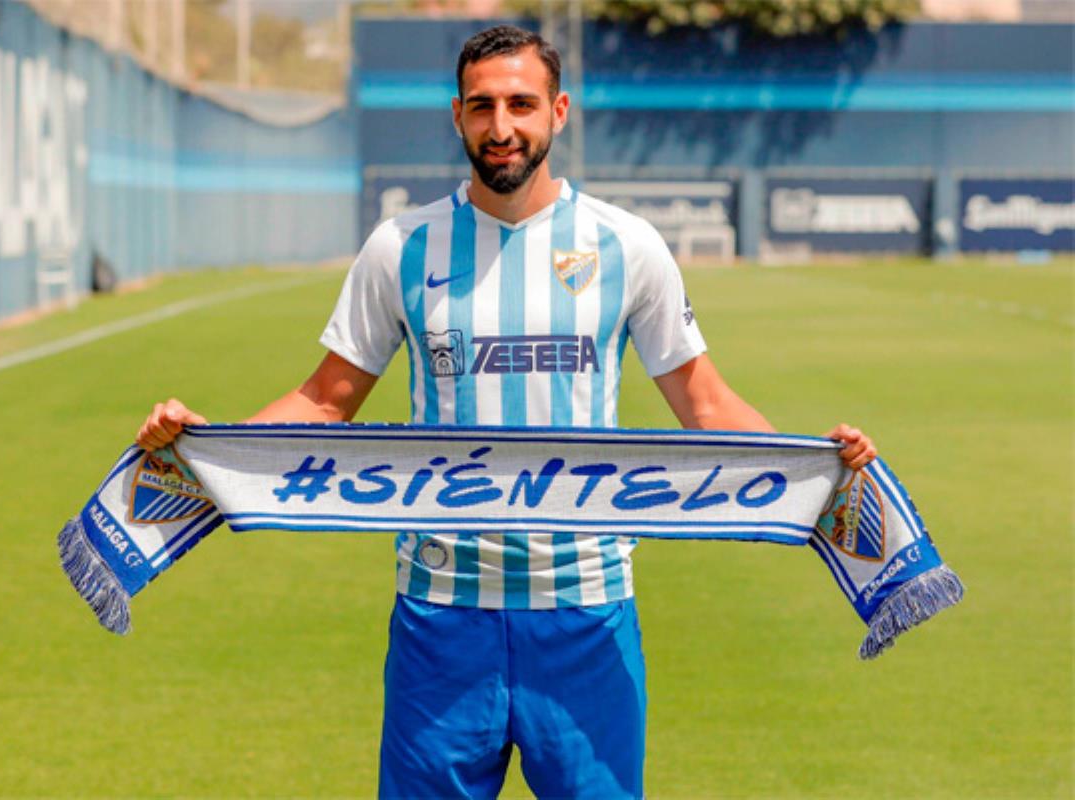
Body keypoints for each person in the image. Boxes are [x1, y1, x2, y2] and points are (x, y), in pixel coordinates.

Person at [136, 25, 876, 799]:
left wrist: (812, 470)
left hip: (586, 613)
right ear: (456, 114)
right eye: (483, 106)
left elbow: (705, 401)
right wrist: (204, 445)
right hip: (442, 617)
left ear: (558, 112)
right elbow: (325, 400)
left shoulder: (627, 246)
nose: (502, 126)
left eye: (521, 104)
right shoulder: (401, 247)